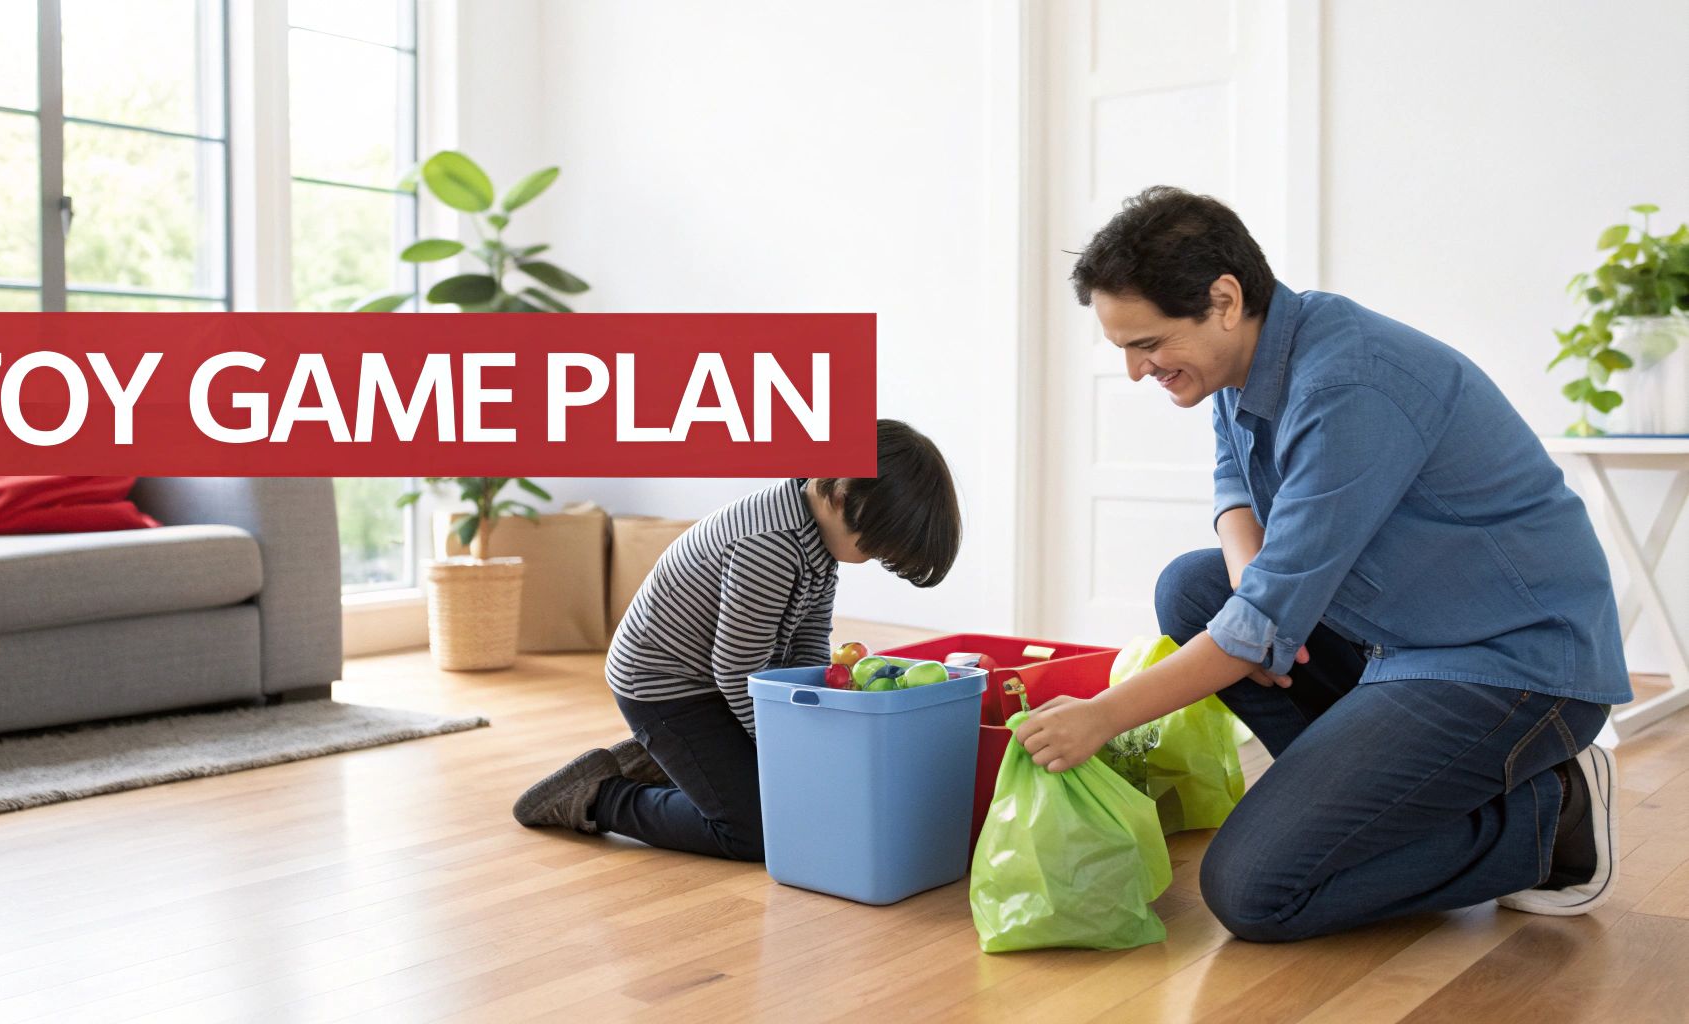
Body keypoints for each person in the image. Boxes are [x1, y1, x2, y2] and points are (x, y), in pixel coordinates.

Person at [1019, 186, 1629, 941]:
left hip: (1511, 664)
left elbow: (1263, 619)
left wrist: (1104, 716)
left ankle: (1551, 814)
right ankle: (1355, 801)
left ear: (1224, 300)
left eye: (1148, 344)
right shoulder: (1243, 361)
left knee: (1253, 891)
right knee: (1194, 587)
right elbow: (1234, 484)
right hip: (1399, 633)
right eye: (1123, 348)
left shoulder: (1347, 384)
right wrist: (1253, 595)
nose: (1138, 370)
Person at [512, 419, 962, 860]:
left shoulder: (816, 533)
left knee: (796, 794)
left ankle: (679, 760)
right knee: (756, 831)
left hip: (720, 682)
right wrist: (787, 743)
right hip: (666, 688)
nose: (870, 558)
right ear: (842, 495)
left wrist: (809, 731)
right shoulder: (771, 544)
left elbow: (807, 642)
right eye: (872, 547)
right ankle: (599, 796)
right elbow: (736, 669)